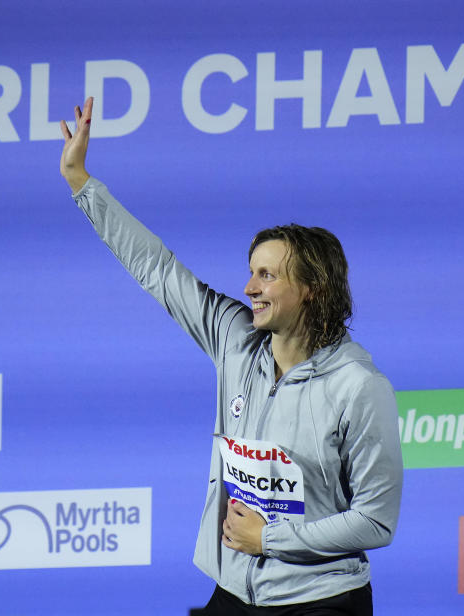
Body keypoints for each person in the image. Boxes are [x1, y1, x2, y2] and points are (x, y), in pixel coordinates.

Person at [60, 98, 402, 615]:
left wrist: (270, 539)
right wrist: (81, 181)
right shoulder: (235, 339)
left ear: (311, 287)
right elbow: (157, 268)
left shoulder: (358, 385)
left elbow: (376, 519)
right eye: (251, 272)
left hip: (321, 599)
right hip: (236, 590)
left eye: (268, 275)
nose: (249, 288)